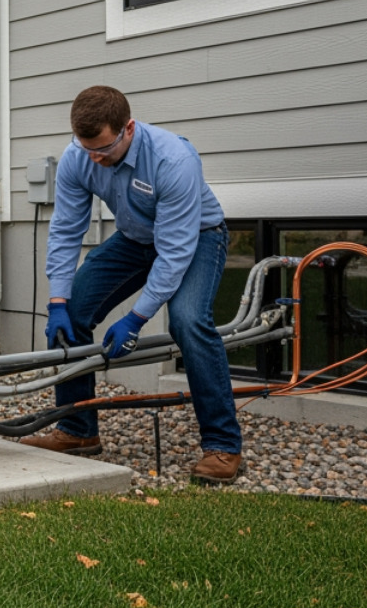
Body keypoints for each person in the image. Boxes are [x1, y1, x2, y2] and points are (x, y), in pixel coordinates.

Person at [23, 85, 243, 484]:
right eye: (86, 147)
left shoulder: (173, 159)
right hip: (133, 238)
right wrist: (57, 299)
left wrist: (137, 318)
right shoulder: (79, 157)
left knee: (189, 322)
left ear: (128, 129)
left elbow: (175, 251)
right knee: (72, 314)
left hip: (197, 238)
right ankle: (77, 432)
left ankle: (223, 446)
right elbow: (66, 230)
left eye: (103, 149)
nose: (94, 158)